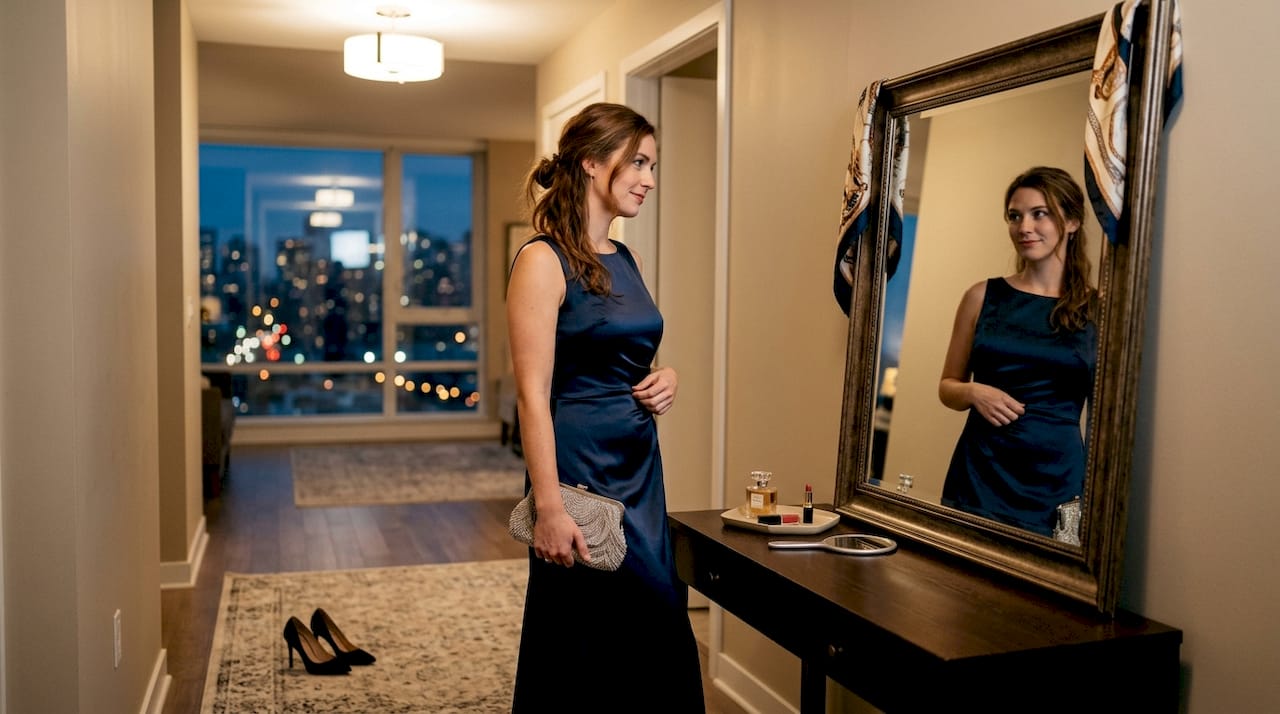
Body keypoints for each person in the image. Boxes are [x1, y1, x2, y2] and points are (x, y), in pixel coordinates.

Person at [506, 102, 705, 712]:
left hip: (640, 466)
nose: (649, 178)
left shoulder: (630, 259)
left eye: (652, 164)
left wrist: (664, 378)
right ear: (593, 163)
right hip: (577, 468)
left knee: (659, 624)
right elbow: (532, 395)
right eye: (638, 162)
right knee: (583, 638)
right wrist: (548, 506)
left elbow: (630, 358)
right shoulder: (542, 260)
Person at [938, 166, 1097, 538]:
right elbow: (947, 386)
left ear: (1071, 221)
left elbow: (1106, 417)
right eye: (1015, 216)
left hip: (1056, 479)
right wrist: (973, 391)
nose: (1024, 227)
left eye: (1039, 213)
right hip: (980, 472)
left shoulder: (1097, 311)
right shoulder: (981, 296)